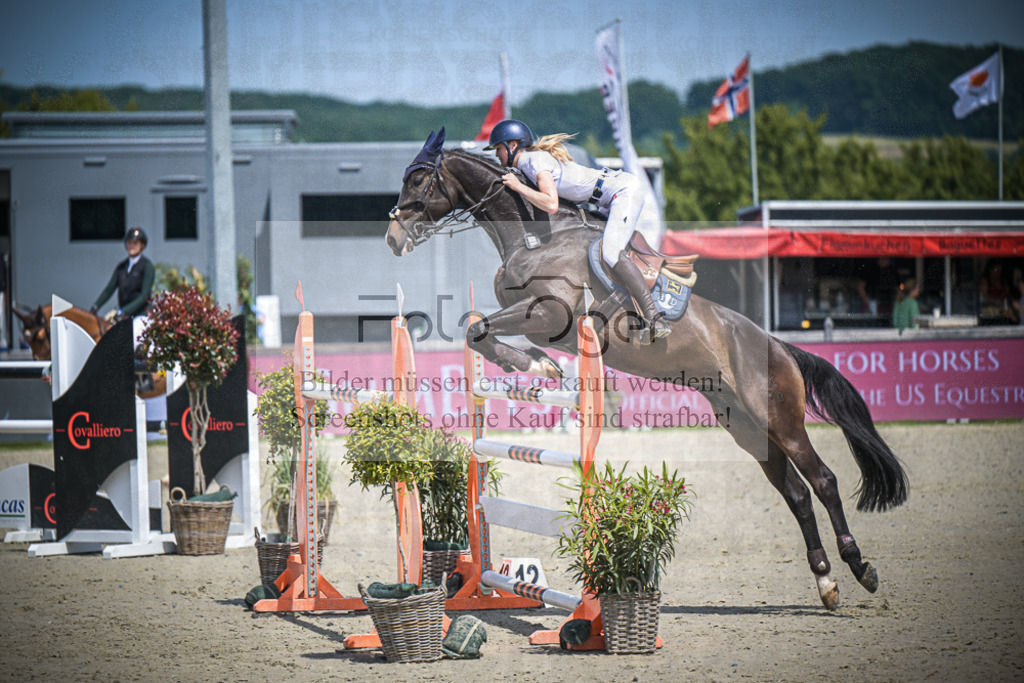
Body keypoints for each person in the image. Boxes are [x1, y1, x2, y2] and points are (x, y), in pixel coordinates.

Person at [484, 119, 669, 343]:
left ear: (512, 145)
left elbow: (551, 204)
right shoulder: (528, 163)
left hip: (622, 192)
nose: (496, 154)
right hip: (605, 198)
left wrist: (518, 186)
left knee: (611, 252)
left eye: (498, 148)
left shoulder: (534, 162)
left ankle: (654, 316)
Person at [91, 226, 155, 344]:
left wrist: (123, 311)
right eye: (129, 242)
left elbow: (144, 296)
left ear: (142, 245)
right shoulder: (122, 267)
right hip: (124, 316)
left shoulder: (147, 266)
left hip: (141, 315)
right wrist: (95, 306)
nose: (131, 246)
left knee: (136, 334)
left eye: (135, 243)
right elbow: (109, 290)